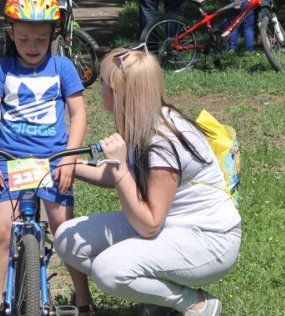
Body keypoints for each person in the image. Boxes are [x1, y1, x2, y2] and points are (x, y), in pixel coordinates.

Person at [54, 46, 242, 316]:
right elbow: (118, 174)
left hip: (209, 241)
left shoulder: (162, 143)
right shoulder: (141, 118)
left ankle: (196, 305)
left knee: (108, 270)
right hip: (173, 226)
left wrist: (119, 169)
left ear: (120, 94)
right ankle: (158, 298)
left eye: (104, 83)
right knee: (67, 239)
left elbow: (149, 224)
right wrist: (68, 165)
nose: (100, 89)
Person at [0, 0, 89, 316]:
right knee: (1, 230)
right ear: (10, 33)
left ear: (53, 34)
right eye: (24, 38)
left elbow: (79, 113)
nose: (32, 46)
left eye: (40, 39)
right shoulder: (1, 69)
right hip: (10, 163)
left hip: (53, 163)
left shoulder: (63, 68)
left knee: (64, 230)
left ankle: (83, 300)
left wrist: (69, 157)